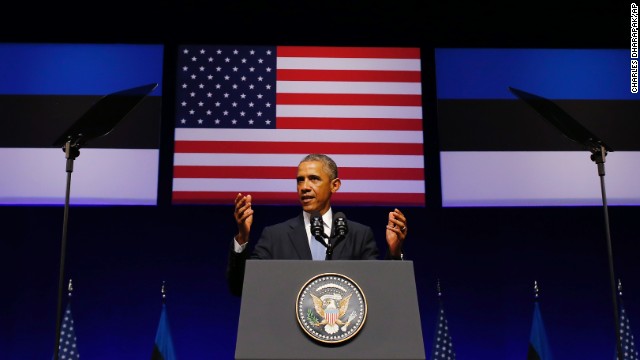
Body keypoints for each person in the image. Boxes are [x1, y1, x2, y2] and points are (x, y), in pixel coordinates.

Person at [226, 153, 408, 296]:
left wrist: (394, 252)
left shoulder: (358, 235)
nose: (304, 187)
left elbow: (378, 291)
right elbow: (240, 288)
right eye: (300, 180)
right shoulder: (275, 236)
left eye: (314, 179)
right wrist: (242, 237)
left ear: (335, 185)